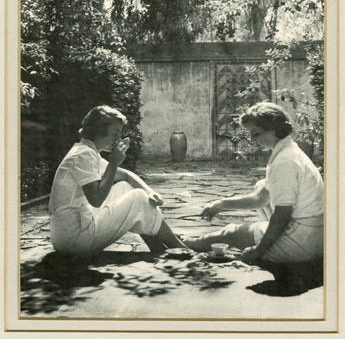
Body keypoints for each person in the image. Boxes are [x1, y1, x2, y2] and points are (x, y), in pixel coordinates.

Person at [183, 102, 324, 265]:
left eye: (256, 134)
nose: (251, 140)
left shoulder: (285, 162)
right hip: (314, 235)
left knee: (230, 233)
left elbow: (282, 216)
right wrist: (221, 204)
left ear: (272, 129)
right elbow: (260, 198)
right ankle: (263, 237)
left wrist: (258, 251)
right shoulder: (288, 150)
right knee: (261, 185)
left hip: (302, 243)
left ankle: (186, 243)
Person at [49, 105, 188, 257]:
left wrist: (151, 192)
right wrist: (114, 162)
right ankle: (177, 245)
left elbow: (126, 176)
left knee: (125, 187)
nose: (118, 139)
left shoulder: (86, 152)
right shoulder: (83, 156)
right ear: (99, 130)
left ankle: (157, 244)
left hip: (67, 237)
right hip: (75, 240)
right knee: (138, 198)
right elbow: (96, 200)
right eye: (116, 133)